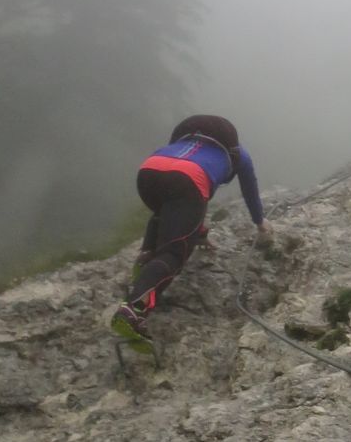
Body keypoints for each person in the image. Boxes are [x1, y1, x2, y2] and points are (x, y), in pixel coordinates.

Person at [110, 114, 270, 354]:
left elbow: (179, 209)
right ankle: (133, 309)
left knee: (165, 213)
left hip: (150, 171)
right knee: (174, 254)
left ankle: (145, 260)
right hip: (188, 179)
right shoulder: (240, 155)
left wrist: (199, 232)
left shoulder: (183, 142)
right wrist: (260, 222)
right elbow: (250, 190)